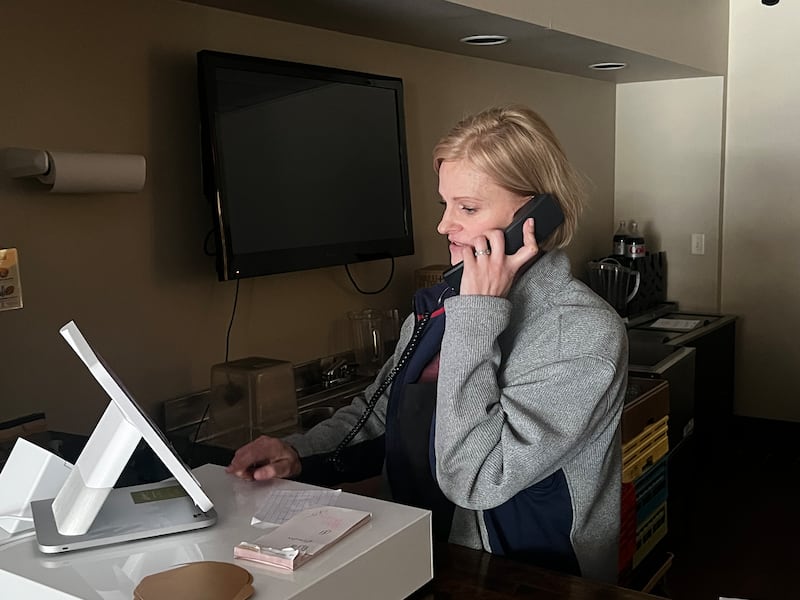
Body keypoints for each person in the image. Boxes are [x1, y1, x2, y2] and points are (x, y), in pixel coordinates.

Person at [227, 105, 628, 583]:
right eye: (445, 204)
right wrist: (299, 454)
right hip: (418, 553)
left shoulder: (580, 333)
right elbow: (381, 416)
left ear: (534, 217)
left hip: (524, 579)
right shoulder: (444, 304)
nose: (444, 226)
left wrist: (478, 317)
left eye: (468, 208)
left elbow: (477, 477)